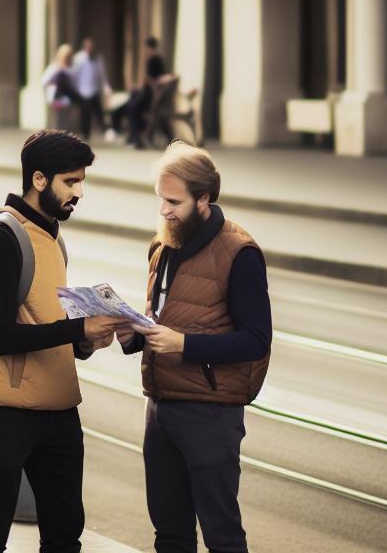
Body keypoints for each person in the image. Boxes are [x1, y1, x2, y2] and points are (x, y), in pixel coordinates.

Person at [0, 130, 122, 552]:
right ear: (39, 180)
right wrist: (77, 330)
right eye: (70, 181)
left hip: (59, 410)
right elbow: (3, 335)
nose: (80, 192)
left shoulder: (52, 236)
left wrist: (86, 341)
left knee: (65, 532)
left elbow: (45, 319)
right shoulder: (3, 236)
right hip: (5, 411)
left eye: (81, 181)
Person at [121, 142, 272, 553]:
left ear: (203, 199)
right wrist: (134, 333)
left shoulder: (239, 253)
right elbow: (166, 316)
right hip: (160, 406)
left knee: (221, 535)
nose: (164, 211)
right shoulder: (162, 245)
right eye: (160, 200)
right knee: (169, 535)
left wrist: (184, 345)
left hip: (211, 413)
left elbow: (257, 340)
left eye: (174, 201)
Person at [118, 37, 170, 148]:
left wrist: (144, 86)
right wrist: (138, 87)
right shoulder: (157, 59)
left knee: (132, 107)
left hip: (150, 95)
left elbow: (153, 80)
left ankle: (136, 137)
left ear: (148, 47)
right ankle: (134, 136)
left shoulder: (153, 60)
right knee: (132, 98)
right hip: (148, 93)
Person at [69, 38, 109, 142]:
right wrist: (75, 88)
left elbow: (102, 75)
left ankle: (105, 130)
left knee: (99, 112)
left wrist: (106, 87)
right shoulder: (79, 58)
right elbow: (74, 74)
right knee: (85, 114)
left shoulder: (97, 58)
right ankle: (85, 134)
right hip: (82, 90)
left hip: (94, 89)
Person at [39, 44, 76, 130]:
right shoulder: (54, 67)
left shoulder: (71, 69)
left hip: (67, 99)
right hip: (56, 98)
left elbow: (74, 84)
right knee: (57, 124)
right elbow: (44, 81)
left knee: (65, 124)